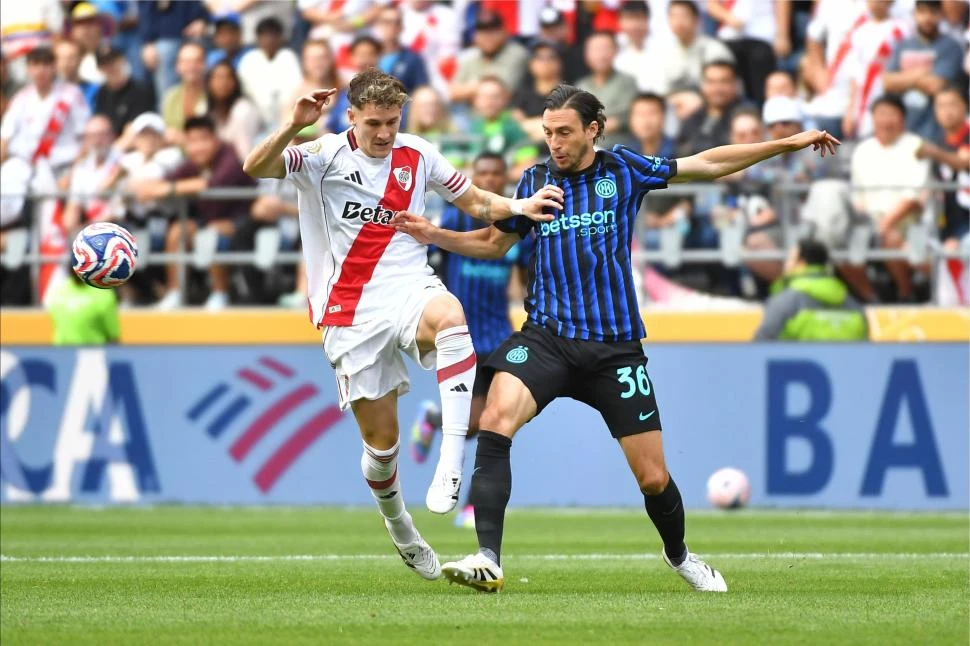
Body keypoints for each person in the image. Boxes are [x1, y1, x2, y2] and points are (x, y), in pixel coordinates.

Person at [391, 84, 839, 593]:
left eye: (564, 132)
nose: (554, 143)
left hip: (614, 350)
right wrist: (434, 235)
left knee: (652, 478)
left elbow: (708, 164)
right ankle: (487, 556)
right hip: (547, 338)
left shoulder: (624, 171)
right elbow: (494, 245)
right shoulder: (535, 180)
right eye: (547, 133)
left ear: (593, 130)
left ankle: (681, 556)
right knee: (494, 418)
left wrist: (787, 143)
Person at [242, 68, 563, 580]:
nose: (385, 133)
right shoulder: (322, 156)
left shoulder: (418, 154)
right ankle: (400, 527)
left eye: (393, 121)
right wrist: (292, 124)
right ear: (351, 117)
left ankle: (451, 463)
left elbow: (475, 201)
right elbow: (255, 166)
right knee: (382, 447)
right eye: (374, 123)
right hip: (349, 311)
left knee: (451, 317)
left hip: (408, 284)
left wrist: (519, 205)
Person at [409, 152, 534, 530]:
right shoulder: (455, 217)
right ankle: (437, 422)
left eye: (497, 173)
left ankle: (473, 499)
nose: (491, 178)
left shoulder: (515, 220)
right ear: (474, 176)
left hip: (499, 334)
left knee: (496, 420)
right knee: (477, 421)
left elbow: (525, 272)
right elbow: (432, 261)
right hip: (461, 334)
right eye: (483, 173)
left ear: (504, 178)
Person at [134, 115, 256, 311]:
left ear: (216, 139)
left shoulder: (230, 159)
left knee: (211, 233)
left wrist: (171, 189)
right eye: (192, 141)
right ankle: (175, 293)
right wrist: (174, 187)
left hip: (244, 223)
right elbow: (151, 187)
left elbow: (211, 185)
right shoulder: (193, 163)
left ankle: (220, 294)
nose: (198, 147)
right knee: (177, 231)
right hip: (208, 222)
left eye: (203, 140)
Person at [882, 0, 965, 142]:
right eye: (922, 12)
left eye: (933, 13)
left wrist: (901, 79)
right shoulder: (904, 45)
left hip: (934, 129)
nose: (927, 18)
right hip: (903, 125)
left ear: (941, 15)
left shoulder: (951, 46)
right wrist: (920, 74)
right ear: (914, 14)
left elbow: (935, 85)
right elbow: (887, 82)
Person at [754, 239, 869, 341]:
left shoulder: (786, 300)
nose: (785, 265)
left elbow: (762, 343)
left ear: (801, 263)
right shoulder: (851, 302)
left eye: (789, 260)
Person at [46, 264, 120, 345]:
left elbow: (113, 335)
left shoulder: (103, 293)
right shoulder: (57, 292)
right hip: (63, 351)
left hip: (93, 352)